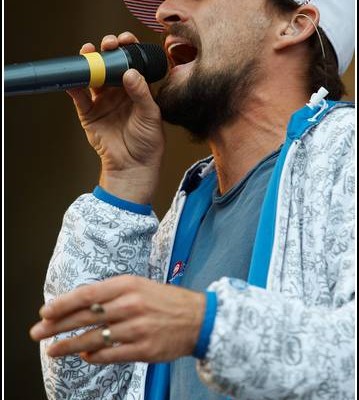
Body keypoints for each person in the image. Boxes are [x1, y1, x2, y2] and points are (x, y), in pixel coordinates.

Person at [30, 0, 355, 399]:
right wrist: (123, 180)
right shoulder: (188, 208)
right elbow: (80, 389)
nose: (166, 12)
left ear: (294, 24)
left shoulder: (347, 153)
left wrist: (206, 324)